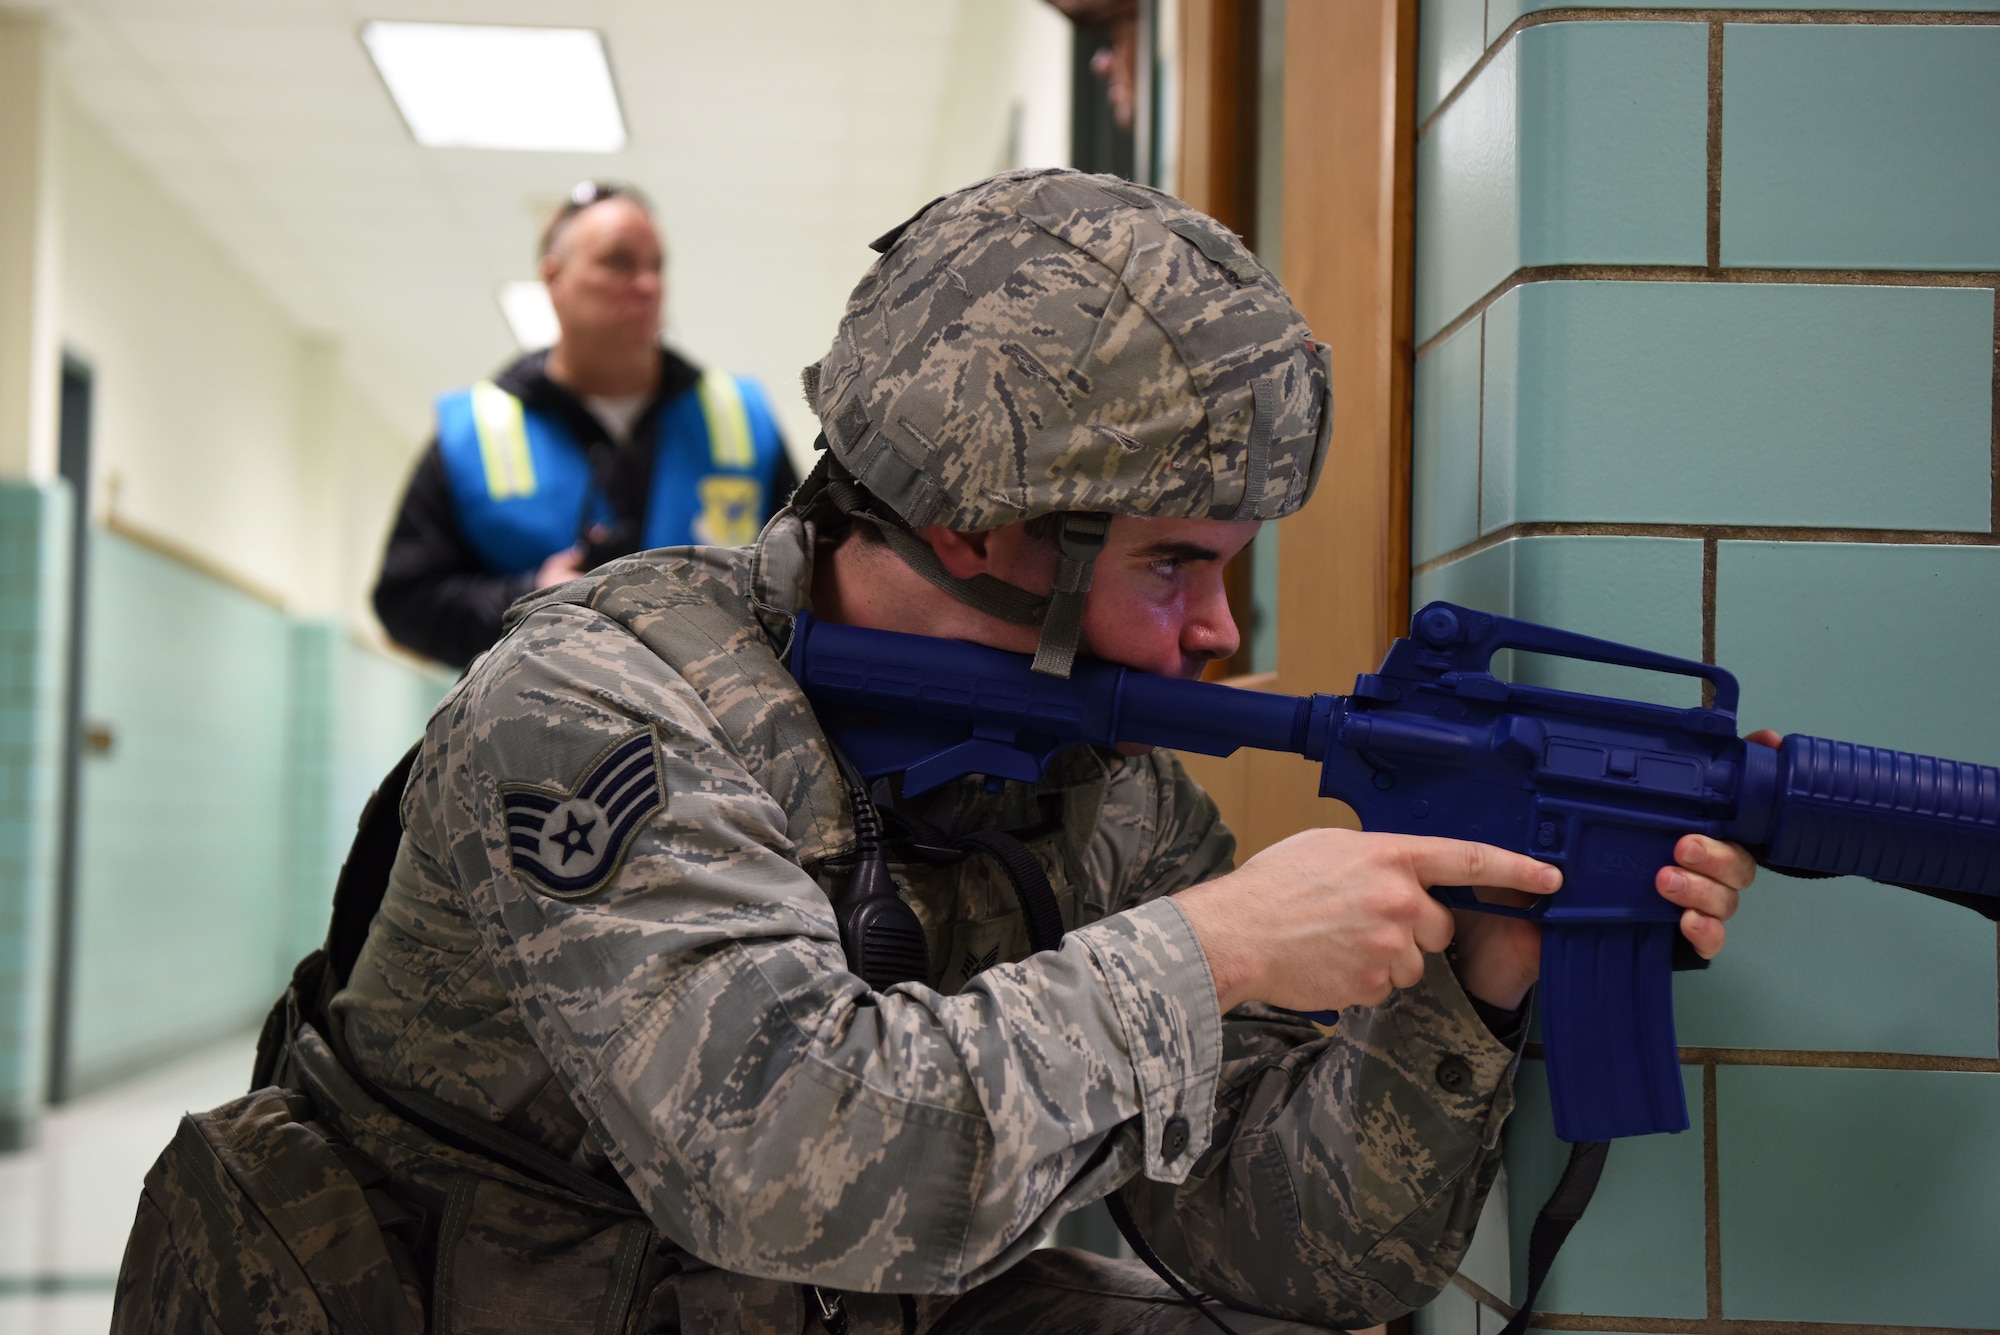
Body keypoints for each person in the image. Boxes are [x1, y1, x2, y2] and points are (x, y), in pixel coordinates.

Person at [114, 172, 1756, 1335]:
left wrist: (1474, 987)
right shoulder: (603, 703)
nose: (1222, 641)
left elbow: (1293, 1252)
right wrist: (1215, 951)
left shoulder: (1103, 795)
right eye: (1175, 567)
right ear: (979, 534)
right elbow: (784, 1159)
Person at [372, 180, 797, 668]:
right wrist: (531, 595)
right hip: (534, 730)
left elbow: (809, 583)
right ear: (553, 279)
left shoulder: (742, 420)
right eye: (618, 262)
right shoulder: (473, 434)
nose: (647, 285)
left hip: (719, 729)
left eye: (656, 266)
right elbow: (405, 603)